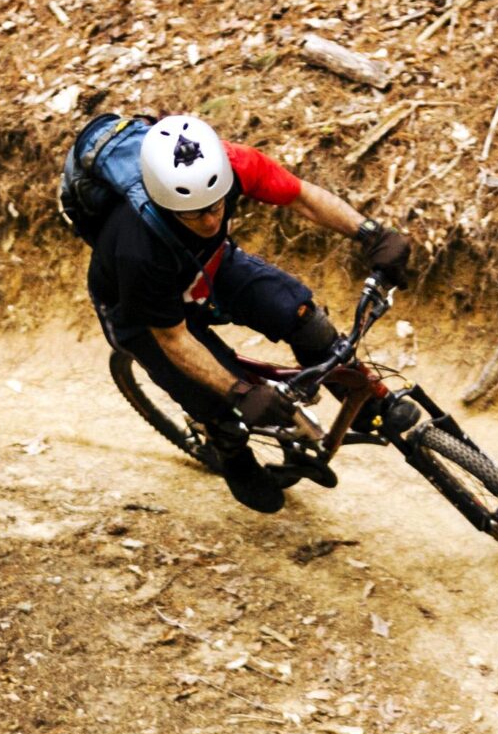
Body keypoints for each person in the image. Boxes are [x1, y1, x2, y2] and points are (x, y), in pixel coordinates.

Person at [86, 113, 413, 514]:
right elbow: (173, 338)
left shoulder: (232, 165)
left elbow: (301, 196)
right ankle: (229, 449)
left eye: (216, 205)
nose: (210, 220)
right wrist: (239, 392)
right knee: (216, 398)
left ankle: (360, 401)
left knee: (305, 319)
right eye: (193, 213)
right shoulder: (135, 246)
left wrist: (371, 234)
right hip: (138, 308)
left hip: (208, 264)